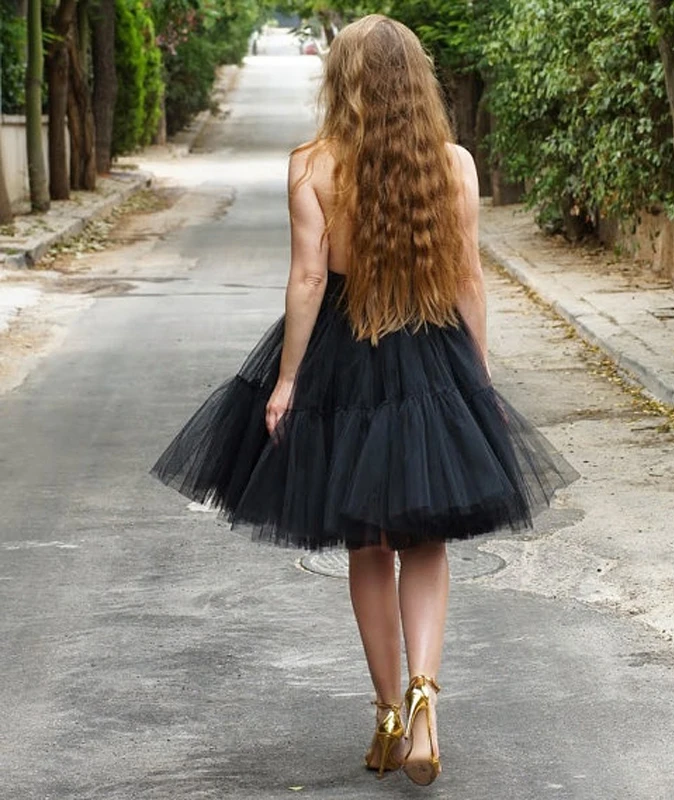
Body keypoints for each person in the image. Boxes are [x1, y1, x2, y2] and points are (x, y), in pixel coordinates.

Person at [151, 14, 576, 787]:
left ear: (340, 81)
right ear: (418, 81)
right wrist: (477, 382)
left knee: (368, 545)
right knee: (427, 539)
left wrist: (286, 382)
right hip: (431, 352)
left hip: (344, 364)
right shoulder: (453, 165)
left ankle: (385, 711)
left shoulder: (312, 166)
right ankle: (424, 699)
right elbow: (470, 281)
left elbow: (310, 280)